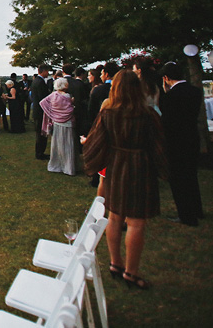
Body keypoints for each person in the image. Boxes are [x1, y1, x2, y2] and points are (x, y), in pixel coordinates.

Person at [83, 70, 168, 290]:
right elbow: (159, 146)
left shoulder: (108, 113)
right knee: (136, 222)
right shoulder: (148, 115)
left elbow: (94, 142)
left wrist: (93, 163)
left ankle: (116, 263)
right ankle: (130, 271)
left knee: (114, 217)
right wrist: (164, 170)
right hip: (140, 167)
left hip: (116, 165)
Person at [159, 62, 204, 227]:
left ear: (166, 78)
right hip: (192, 137)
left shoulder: (170, 97)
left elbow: (167, 121)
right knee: (191, 175)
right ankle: (197, 209)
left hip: (175, 141)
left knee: (178, 179)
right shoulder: (195, 92)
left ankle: (186, 215)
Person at [40, 78, 77, 175]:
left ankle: (56, 165)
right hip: (67, 122)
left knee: (57, 145)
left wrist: (51, 113)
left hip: (56, 122)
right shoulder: (67, 96)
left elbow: (42, 102)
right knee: (68, 144)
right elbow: (70, 109)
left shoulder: (53, 95)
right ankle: (68, 167)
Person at [31, 65, 51, 159]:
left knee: (40, 133)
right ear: (43, 71)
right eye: (47, 71)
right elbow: (43, 98)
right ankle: (39, 153)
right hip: (40, 111)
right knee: (41, 133)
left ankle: (40, 152)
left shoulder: (36, 81)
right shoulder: (40, 82)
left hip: (37, 110)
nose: (48, 73)